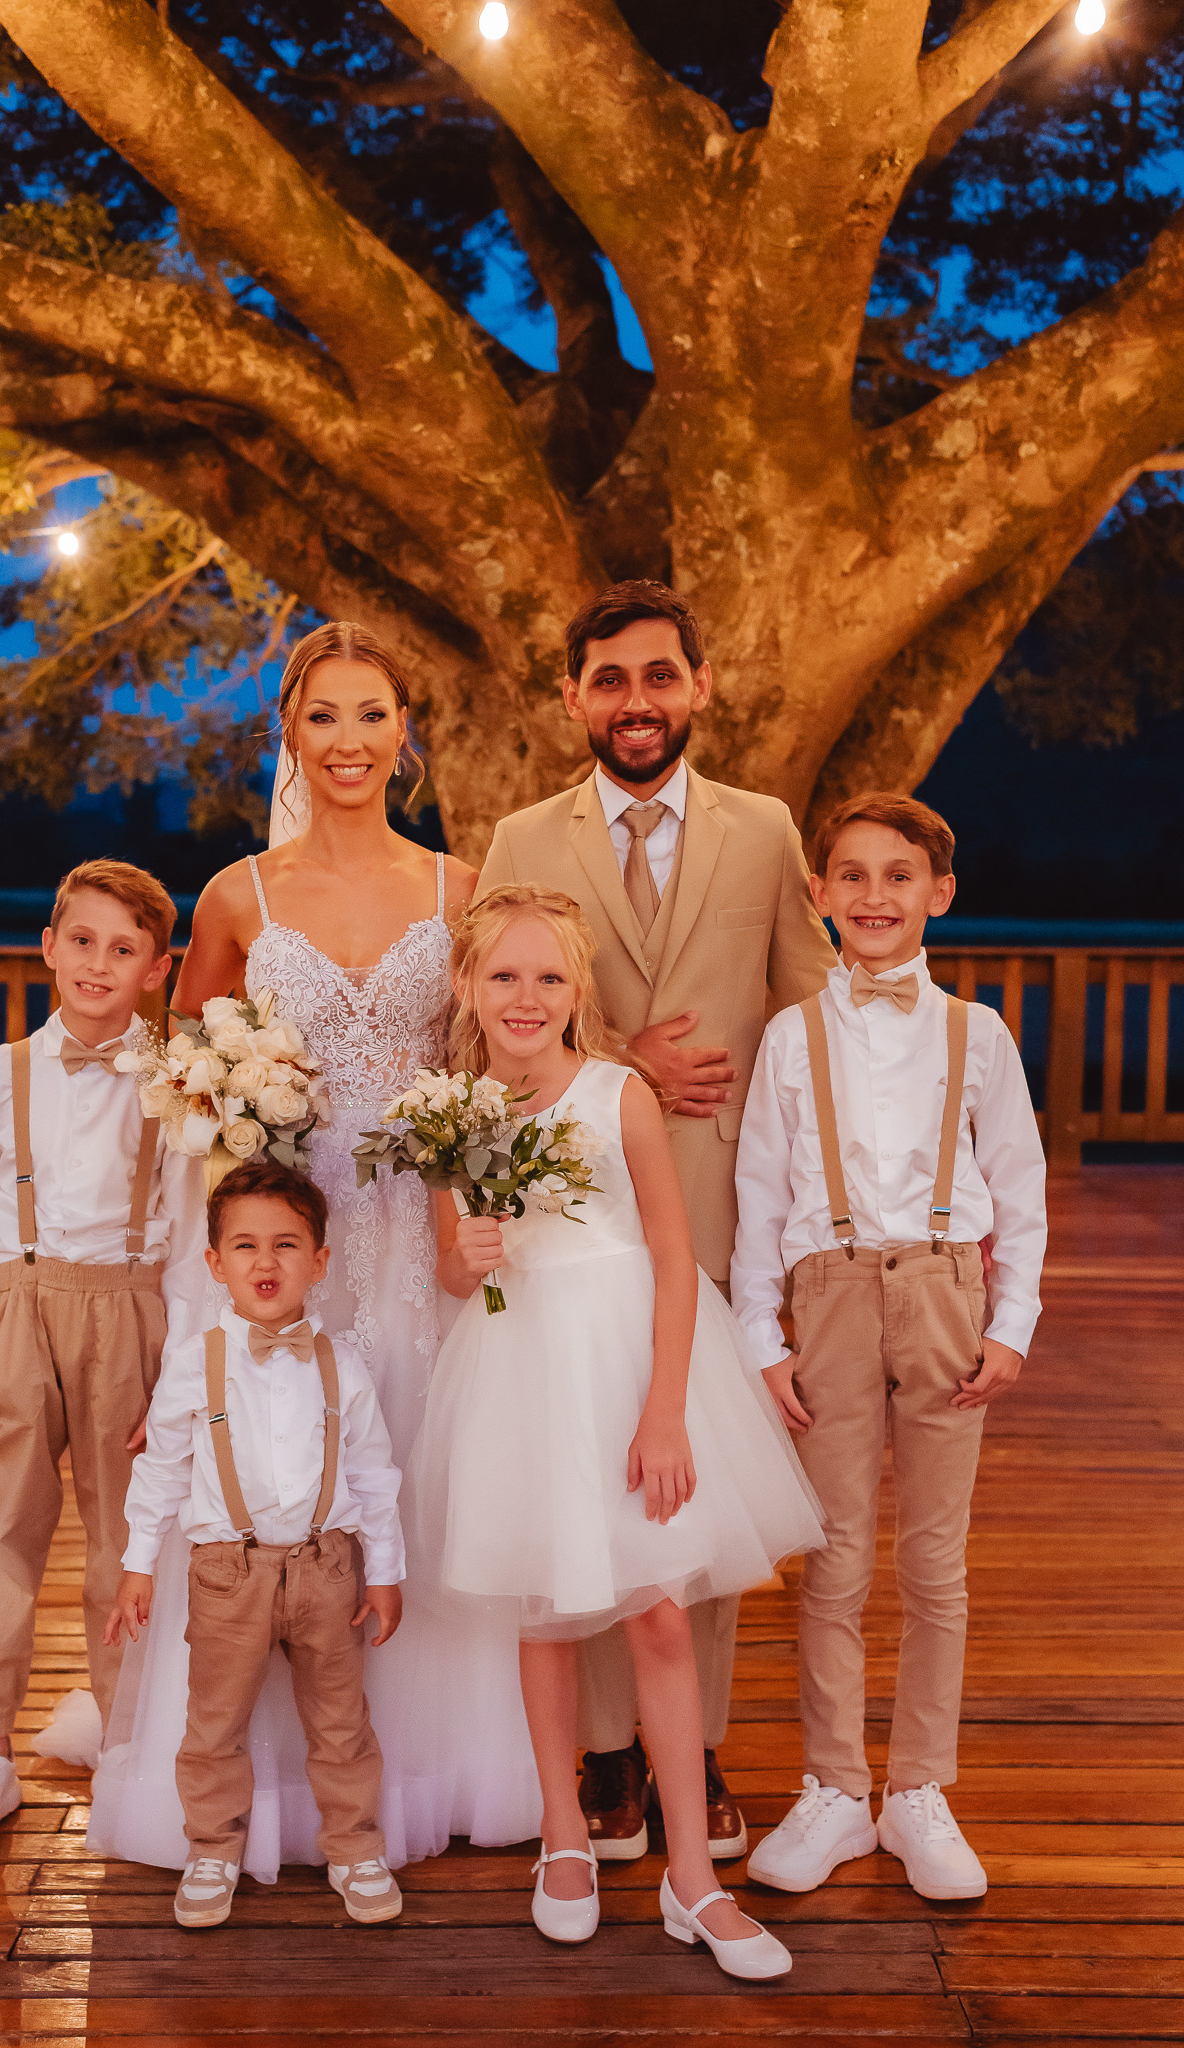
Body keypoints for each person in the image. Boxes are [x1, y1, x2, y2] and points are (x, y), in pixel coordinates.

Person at [86, 620, 539, 1878]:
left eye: (372, 713)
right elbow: (194, 1092)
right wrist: (219, 1244)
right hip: (285, 1235)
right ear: (289, 731)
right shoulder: (239, 894)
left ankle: (428, 1773)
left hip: (415, 1238)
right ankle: (257, 1795)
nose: (349, 739)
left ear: (405, 732)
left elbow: (492, 1053)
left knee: (410, 1483)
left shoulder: (458, 887)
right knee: (270, 1477)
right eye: (324, 714)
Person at [476, 580, 836, 1859]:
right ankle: (608, 1754)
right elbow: (494, 1011)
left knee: (694, 1479)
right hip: (568, 1213)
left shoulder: (762, 829)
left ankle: (701, 1746)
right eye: (610, 679)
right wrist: (629, 1056)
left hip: (720, 1205)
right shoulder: (521, 834)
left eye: (659, 675)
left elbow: (807, 1017)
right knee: (579, 1469)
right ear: (573, 696)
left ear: (698, 685)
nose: (636, 700)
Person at [406, 884, 823, 1975]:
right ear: (467, 985)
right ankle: (563, 1836)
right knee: (542, 1616)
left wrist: (665, 1411)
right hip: (517, 1377)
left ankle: (693, 1878)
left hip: (629, 1370)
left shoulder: (617, 1093)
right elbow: (452, 1269)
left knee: (660, 1618)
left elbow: (674, 1261)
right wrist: (467, 1255)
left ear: (576, 989)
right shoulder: (452, 1114)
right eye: (504, 975)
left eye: (548, 977)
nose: (526, 996)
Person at [733, 792, 1046, 1902]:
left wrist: (1010, 1324)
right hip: (824, 1295)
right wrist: (759, 1335)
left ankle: (917, 1788)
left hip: (945, 1290)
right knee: (831, 1555)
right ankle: (832, 1785)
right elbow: (759, 1192)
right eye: (853, 876)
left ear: (938, 893)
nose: (875, 896)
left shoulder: (978, 1033)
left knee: (933, 1557)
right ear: (820, 894)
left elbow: (1019, 1185)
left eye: (898, 875)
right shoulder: (789, 1036)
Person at [0, 860, 207, 1855]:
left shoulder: (176, 1082)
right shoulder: (1, 1072)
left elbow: (187, 1237)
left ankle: (124, 1741)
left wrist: (175, 1372)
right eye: (81, 940)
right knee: (8, 1532)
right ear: (48, 946)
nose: (97, 962)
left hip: (127, 1314)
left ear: (156, 970)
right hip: (18, 1305)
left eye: (123, 949)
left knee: (122, 1543)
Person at [107, 1159, 406, 1930]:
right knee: (214, 1723)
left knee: (340, 1721)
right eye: (244, 1246)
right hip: (225, 1573)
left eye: (285, 1244)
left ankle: (354, 1846)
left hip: (327, 1567)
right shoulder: (192, 1364)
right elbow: (161, 1469)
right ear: (215, 1263)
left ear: (320, 1261)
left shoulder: (343, 1365)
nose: (264, 1262)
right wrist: (138, 1565)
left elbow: (373, 1474)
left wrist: (385, 1571)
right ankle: (212, 1848)